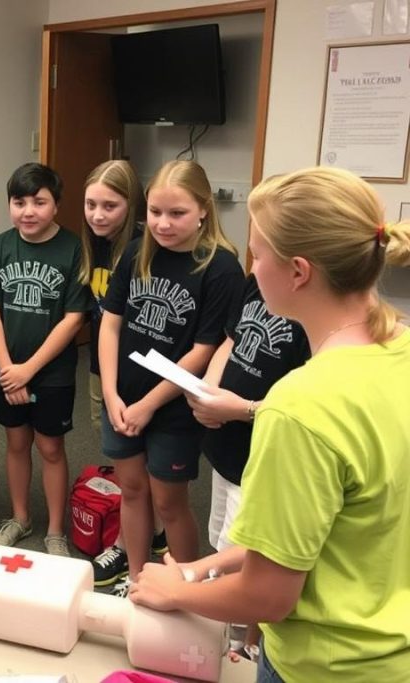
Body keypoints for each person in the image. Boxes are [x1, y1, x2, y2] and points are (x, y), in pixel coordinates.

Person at [130, 167, 410, 682]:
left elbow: (268, 597)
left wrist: (178, 592)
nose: (252, 267)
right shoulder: (401, 350)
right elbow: (340, 527)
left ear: (298, 272)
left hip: (325, 665)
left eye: (257, 255)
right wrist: (206, 565)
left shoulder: (301, 406)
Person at [98, 160, 243, 595]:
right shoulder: (137, 251)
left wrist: (148, 405)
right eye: (155, 212)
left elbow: (203, 350)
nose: (163, 223)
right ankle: (137, 579)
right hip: (122, 398)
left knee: (169, 501)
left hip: (173, 407)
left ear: (203, 210)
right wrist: (110, 392)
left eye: (177, 213)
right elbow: (110, 323)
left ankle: (184, 590)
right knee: (131, 489)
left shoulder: (221, 267)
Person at [186, 271, 310, 661]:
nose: (255, 265)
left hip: (261, 458)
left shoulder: (314, 312)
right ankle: (230, 635)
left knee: (248, 557)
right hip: (227, 445)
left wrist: (241, 409)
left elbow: (306, 405)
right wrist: (208, 388)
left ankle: (247, 643)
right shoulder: (259, 280)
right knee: (221, 541)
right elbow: (232, 338)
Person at [0, 163, 87, 556]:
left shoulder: (74, 249)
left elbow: (73, 319)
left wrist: (28, 371)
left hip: (51, 374)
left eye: (39, 202)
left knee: (51, 448)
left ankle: (55, 530)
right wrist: (9, 370)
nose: (28, 211)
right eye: (19, 202)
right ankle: (20, 517)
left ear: (56, 204)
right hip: (6, 372)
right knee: (16, 442)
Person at [78, 160, 168, 586]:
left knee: (145, 463)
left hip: (142, 375)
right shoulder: (94, 244)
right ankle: (147, 530)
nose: (97, 215)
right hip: (104, 369)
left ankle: (135, 541)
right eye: (91, 204)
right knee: (122, 457)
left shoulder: (142, 247)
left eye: (109, 206)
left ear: (132, 205)